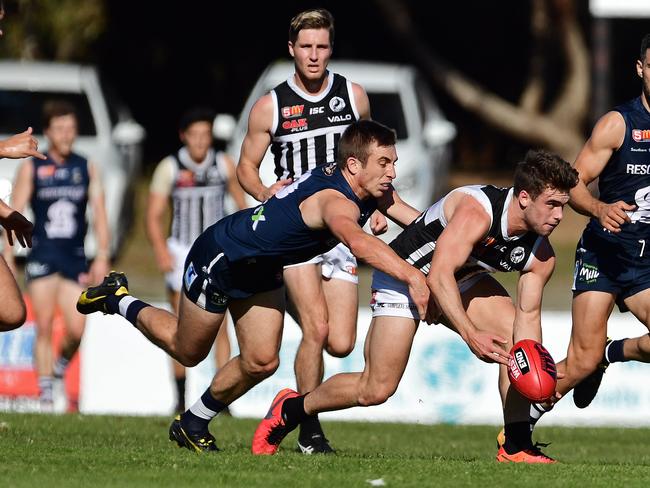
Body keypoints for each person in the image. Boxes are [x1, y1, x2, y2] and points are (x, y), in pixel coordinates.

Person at [77, 120, 430, 453]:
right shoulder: (334, 201)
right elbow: (359, 243)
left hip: (261, 267)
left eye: (393, 162)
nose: (392, 172)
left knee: (261, 361)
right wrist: (414, 276)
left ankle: (193, 423)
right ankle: (118, 298)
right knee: (187, 350)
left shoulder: (366, 186)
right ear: (353, 165)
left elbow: (415, 220)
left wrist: (461, 242)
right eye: (384, 162)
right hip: (221, 258)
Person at [252, 150, 579, 464]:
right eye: (551, 205)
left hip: (459, 279)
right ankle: (291, 409)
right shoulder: (477, 211)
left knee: (515, 344)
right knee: (375, 389)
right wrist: (470, 333)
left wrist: (533, 372)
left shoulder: (541, 254)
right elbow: (436, 276)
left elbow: (528, 315)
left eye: (563, 206)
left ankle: (517, 444)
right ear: (524, 198)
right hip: (403, 277)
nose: (558, 216)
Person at [236, 8, 384, 454]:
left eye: (321, 46)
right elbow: (244, 166)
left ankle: (293, 402)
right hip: (296, 232)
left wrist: (375, 204)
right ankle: (309, 431)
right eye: (306, 47)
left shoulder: (353, 97)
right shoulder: (271, 105)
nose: (314, 55)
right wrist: (264, 190)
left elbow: (371, 155)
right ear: (291, 49)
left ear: (331, 48)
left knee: (340, 342)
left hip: (340, 231)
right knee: (317, 329)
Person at [519, 33, 650, 437]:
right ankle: (518, 431)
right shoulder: (618, 124)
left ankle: (614, 353)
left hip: (644, 264)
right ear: (641, 69)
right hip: (603, 254)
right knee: (580, 361)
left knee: (598, 356)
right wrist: (598, 208)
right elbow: (572, 183)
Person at [4, 100, 111, 411]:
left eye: (71, 128)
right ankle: (46, 394)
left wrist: (102, 254)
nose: (67, 135)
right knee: (45, 324)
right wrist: (8, 255)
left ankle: (61, 366)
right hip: (43, 254)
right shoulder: (33, 166)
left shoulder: (85, 166)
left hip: (75, 256)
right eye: (60, 129)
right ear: (48, 132)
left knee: (78, 328)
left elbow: (100, 213)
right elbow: (14, 211)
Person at [146, 107, 247, 413]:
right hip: (181, 249)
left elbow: (241, 204)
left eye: (206, 134)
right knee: (181, 326)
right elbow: (153, 214)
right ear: (184, 136)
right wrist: (161, 250)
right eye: (195, 135)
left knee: (221, 325)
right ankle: (180, 397)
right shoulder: (170, 166)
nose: (201, 141)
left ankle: (222, 399)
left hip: (217, 252)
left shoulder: (223, 163)